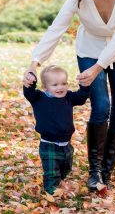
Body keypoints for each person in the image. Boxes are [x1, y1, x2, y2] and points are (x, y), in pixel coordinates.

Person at [23, 0, 115, 191]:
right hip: (89, 51)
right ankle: (94, 170)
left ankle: (104, 175)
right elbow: (57, 28)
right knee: (101, 107)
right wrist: (35, 62)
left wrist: (99, 67)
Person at [23, 65, 89, 195]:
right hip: (49, 144)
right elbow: (29, 92)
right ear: (45, 87)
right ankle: (51, 193)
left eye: (64, 83)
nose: (60, 87)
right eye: (55, 85)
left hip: (66, 144)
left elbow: (81, 98)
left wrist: (84, 86)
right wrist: (31, 81)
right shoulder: (39, 98)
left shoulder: (68, 97)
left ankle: (59, 181)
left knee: (66, 168)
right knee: (51, 172)